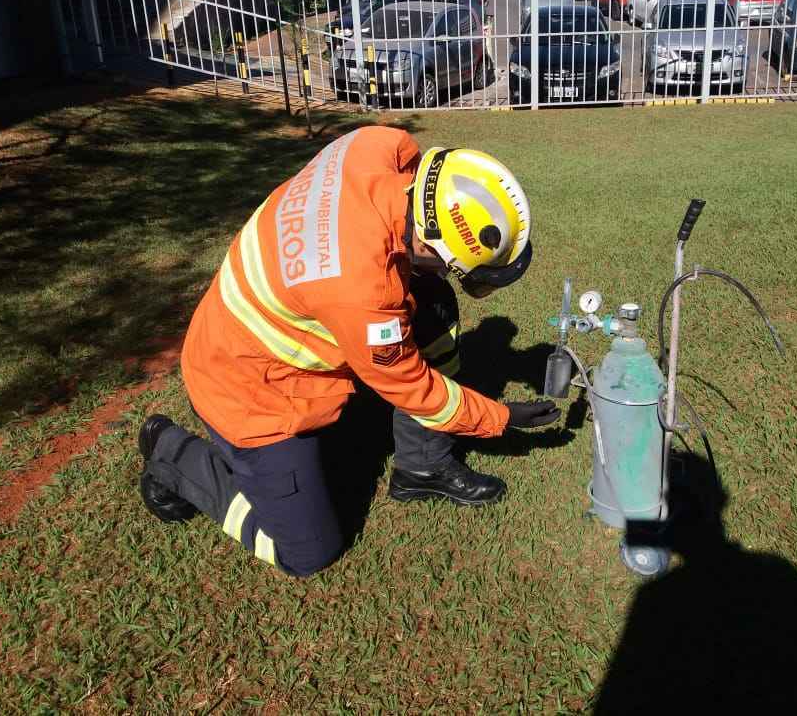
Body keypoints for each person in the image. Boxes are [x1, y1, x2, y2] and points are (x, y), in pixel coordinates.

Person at [137, 126, 560, 577]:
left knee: (432, 300)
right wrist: (501, 418)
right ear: (425, 241)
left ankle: (423, 467)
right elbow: (414, 389)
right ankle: (173, 453)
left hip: (247, 325)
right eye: (454, 265)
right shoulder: (366, 293)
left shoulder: (375, 145)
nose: (453, 273)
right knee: (307, 553)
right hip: (246, 390)